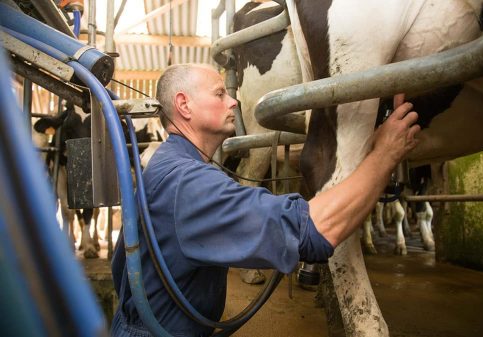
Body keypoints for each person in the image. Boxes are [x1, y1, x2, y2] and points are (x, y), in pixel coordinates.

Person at [110, 63, 420, 337]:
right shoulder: (187, 185)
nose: (233, 100)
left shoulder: (166, 162)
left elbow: (119, 264)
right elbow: (314, 230)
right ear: (184, 105)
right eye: (220, 94)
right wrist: (385, 154)